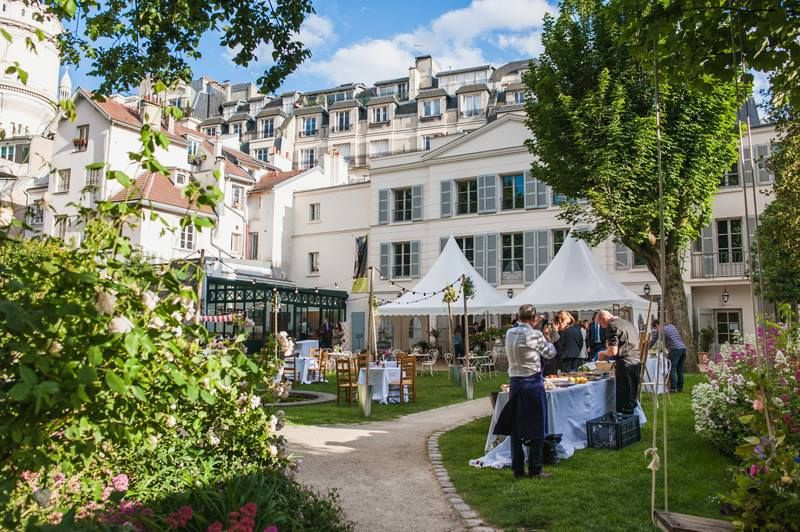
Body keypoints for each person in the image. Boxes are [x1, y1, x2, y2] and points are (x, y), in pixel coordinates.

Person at [493, 304, 557, 479]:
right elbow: (550, 353)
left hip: (515, 382)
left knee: (516, 427)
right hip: (532, 382)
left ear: (518, 316)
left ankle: (518, 468)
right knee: (537, 425)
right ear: (534, 318)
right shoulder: (535, 335)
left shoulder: (510, 333)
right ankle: (535, 469)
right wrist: (548, 337)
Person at [596, 310, 641, 415]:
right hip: (636, 361)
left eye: (600, 323)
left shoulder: (612, 326)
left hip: (625, 364)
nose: (601, 326)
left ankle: (625, 421)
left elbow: (613, 351)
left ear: (603, 318)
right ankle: (631, 420)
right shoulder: (628, 324)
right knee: (631, 399)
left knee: (624, 401)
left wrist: (602, 353)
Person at [649, 318, 687, 392]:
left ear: (656, 324)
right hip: (683, 348)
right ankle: (680, 387)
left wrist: (646, 349)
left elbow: (653, 341)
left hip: (674, 349)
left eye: (655, 327)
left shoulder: (659, 330)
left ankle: (673, 388)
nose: (655, 329)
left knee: (671, 368)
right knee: (680, 369)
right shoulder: (671, 326)